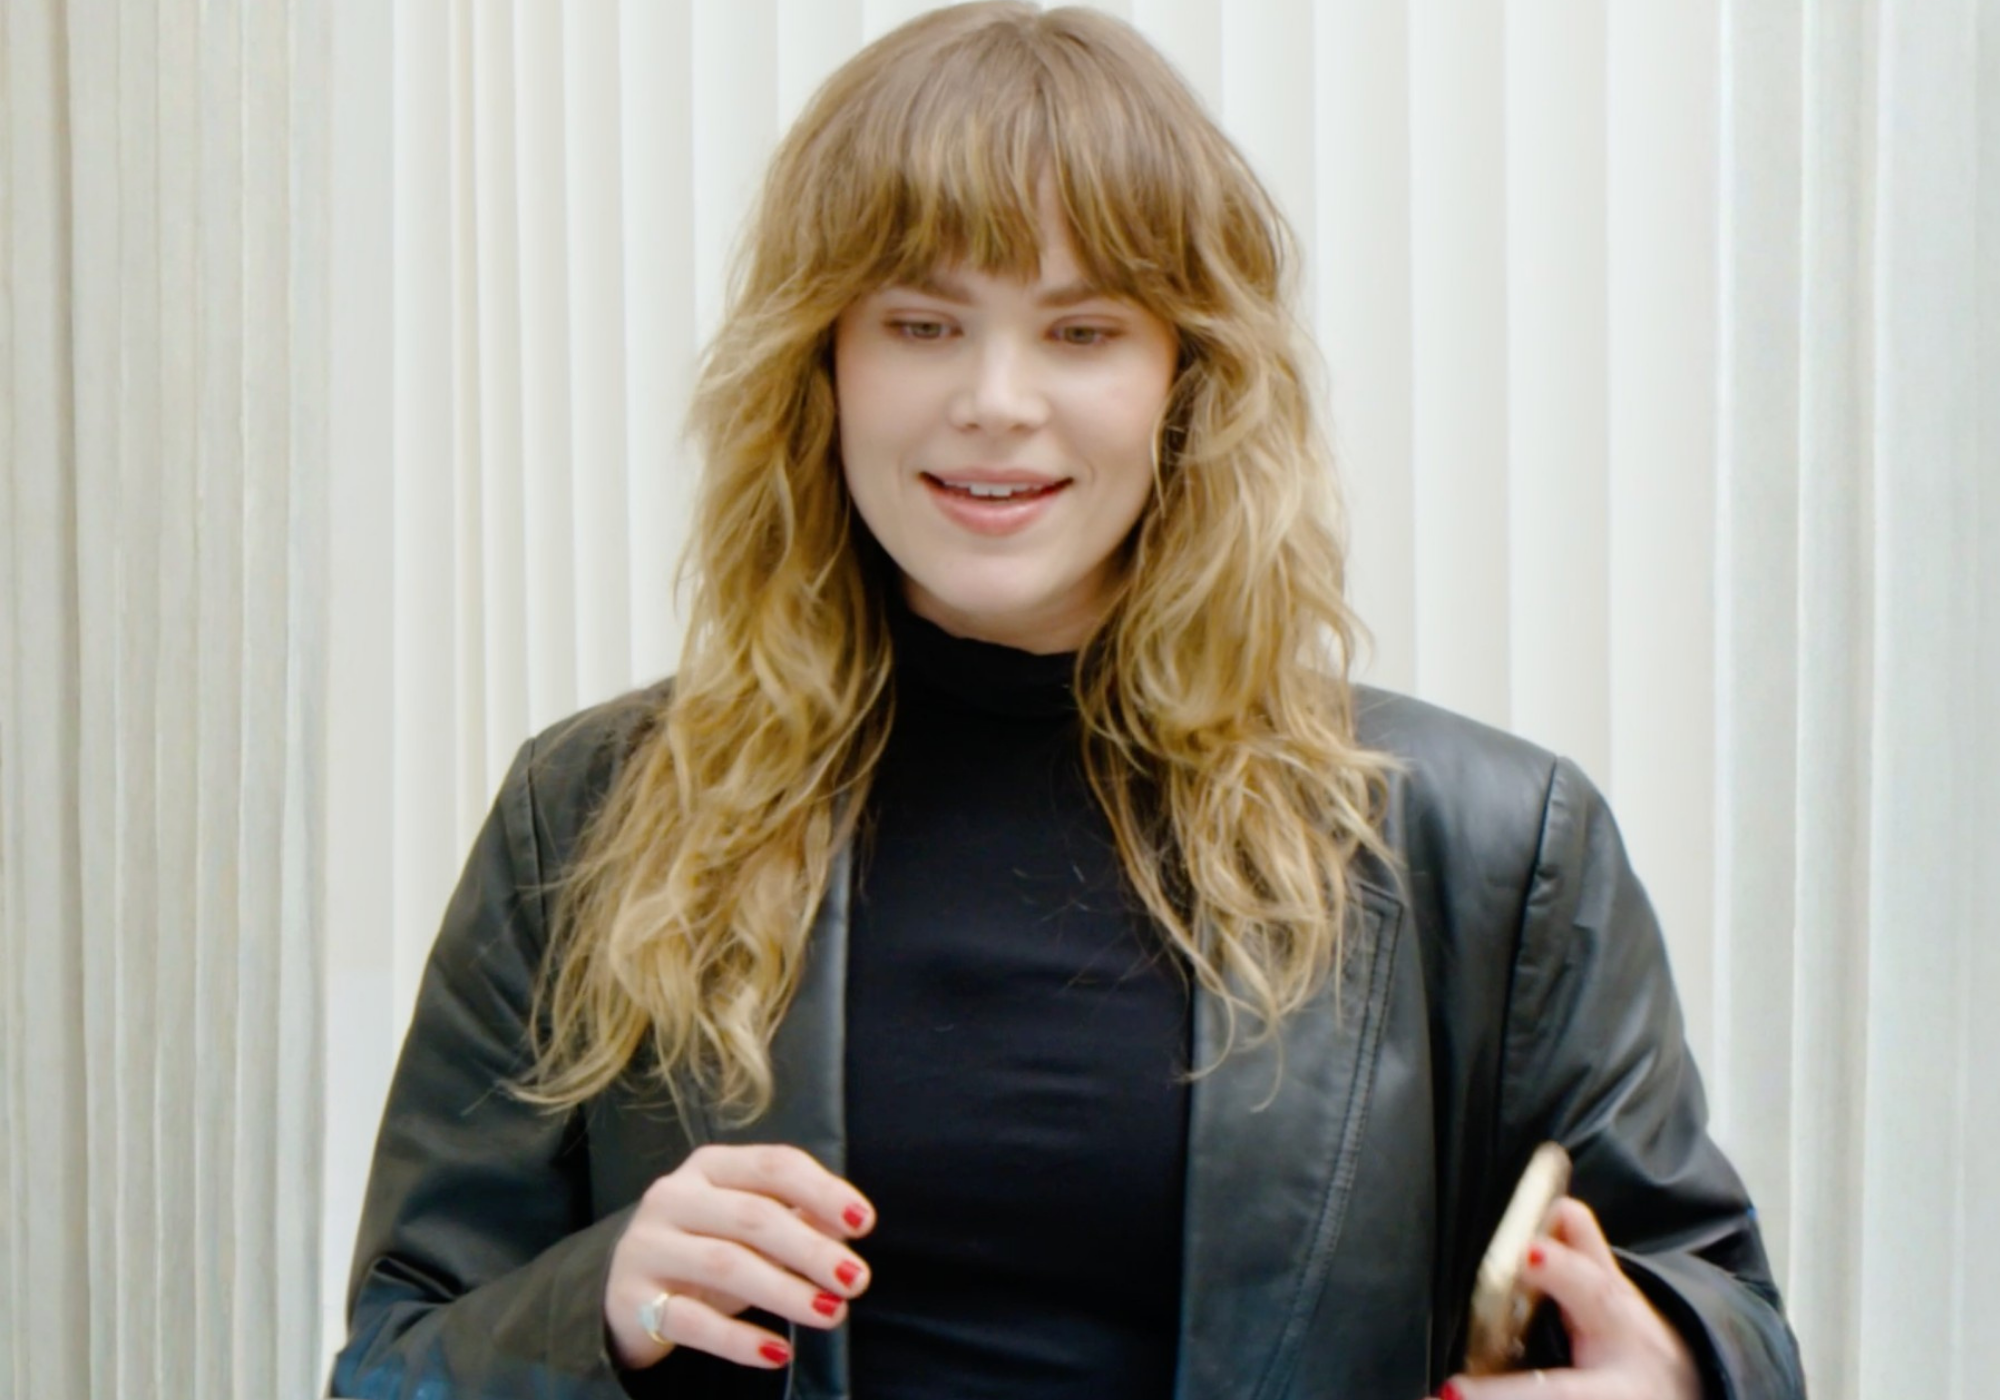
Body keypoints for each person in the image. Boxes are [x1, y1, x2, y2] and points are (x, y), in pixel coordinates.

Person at [327, 6, 1806, 1399]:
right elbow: (395, 1356)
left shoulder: (1491, 844)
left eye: (1084, 330)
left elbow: (1721, 1306)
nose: (995, 398)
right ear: (821, 367)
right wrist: (601, 1306)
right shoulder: (585, 815)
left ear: (1188, 379)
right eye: (919, 323)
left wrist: (1674, 1360)